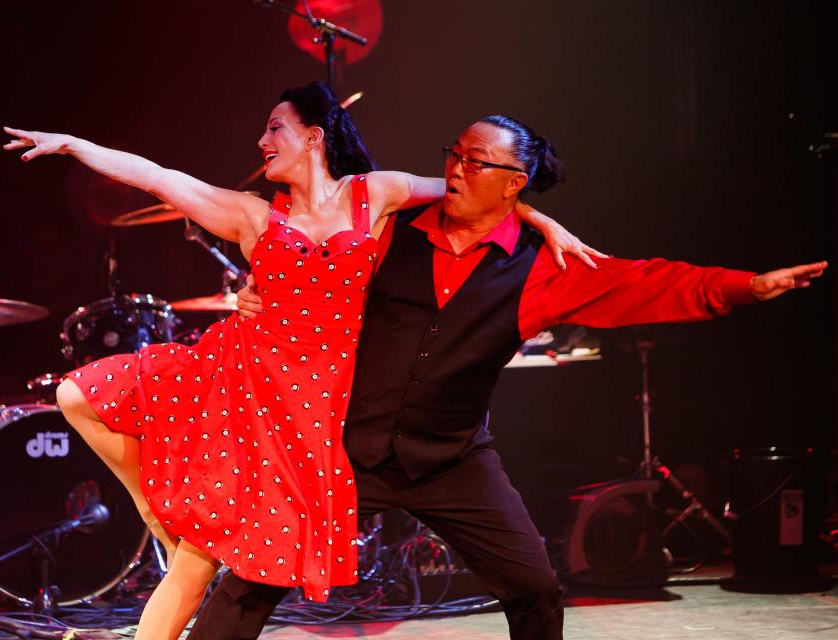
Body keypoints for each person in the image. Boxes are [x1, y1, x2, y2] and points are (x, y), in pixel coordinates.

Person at [191, 114, 827, 640]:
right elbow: (314, 265)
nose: (455, 169)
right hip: (347, 450)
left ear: (513, 183)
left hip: (452, 461)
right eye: (455, 154)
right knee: (251, 582)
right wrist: (257, 294)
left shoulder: (540, 269)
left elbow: (644, 281)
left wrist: (746, 287)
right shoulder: (389, 231)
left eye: (476, 162)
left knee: (535, 588)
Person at [2, 82, 597, 640]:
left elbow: (471, 191)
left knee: (197, 565)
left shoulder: (374, 194)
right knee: (76, 395)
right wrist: (75, 146)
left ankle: (168, 526)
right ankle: (152, 504)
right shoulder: (255, 216)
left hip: (311, 415)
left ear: (314, 136)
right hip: (244, 383)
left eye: (274, 128)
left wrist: (539, 218)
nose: (262, 142)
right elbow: (159, 178)